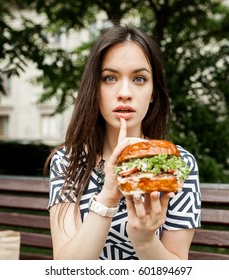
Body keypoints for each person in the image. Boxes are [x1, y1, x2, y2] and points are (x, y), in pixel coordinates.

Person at [46, 25, 201, 260]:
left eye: (139, 79)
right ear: (94, 90)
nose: (125, 92)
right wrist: (109, 193)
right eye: (110, 78)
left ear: (153, 94)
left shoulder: (177, 164)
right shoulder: (68, 161)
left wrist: (145, 239)